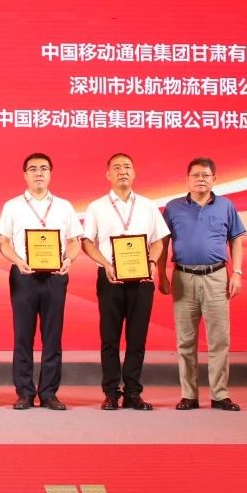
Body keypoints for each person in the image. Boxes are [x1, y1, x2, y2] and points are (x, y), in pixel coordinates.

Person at [81, 153, 170, 410]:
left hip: (141, 279)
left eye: (127, 167)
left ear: (134, 173)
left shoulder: (148, 205)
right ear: (108, 174)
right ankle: (111, 392)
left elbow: (159, 240)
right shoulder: (96, 206)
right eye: (117, 167)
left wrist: (152, 262)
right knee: (110, 338)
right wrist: (106, 264)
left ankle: (133, 392)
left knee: (137, 338)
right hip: (110, 278)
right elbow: (87, 242)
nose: (123, 171)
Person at [157, 157, 246, 411]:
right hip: (183, 277)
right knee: (185, 340)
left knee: (219, 339)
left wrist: (237, 273)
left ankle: (220, 394)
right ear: (187, 179)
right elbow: (163, 243)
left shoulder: (226, 206)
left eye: (206, 175)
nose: (200, 179)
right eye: (195, 175)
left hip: (217, 277)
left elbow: (236, 240)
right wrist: (161, 273)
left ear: (214, 179)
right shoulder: (173, 208)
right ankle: (189, 395)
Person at [0, 152, 81, 410]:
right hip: (24, 276)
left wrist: (69, 259)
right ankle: (24, 392)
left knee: (52, 336)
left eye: (44, 168)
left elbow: (74, 241)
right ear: (25, 175)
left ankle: (49, 393)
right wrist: (17, 261)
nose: (38, 173)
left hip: (56, 276)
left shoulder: (64, 206)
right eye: (33, 169)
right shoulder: (12, 206)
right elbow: (3, 242)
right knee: (23, 336)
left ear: (51, 173)